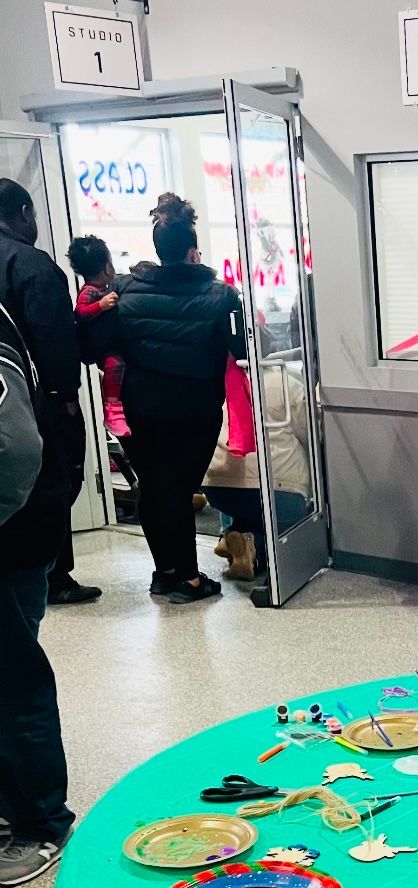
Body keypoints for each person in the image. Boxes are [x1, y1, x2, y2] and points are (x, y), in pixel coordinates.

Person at [81, 193, 244, 604]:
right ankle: (187, 578)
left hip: (139, 407)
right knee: (177, 488)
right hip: (194, 408)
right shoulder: (220, 294)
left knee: (155, 487)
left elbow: (97, 343)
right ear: (192, 252)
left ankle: (164, 572)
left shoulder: (123, 290)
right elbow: (240, 347)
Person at [0, 300, 76, 886]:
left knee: (12, 678)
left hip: (13, 530)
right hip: (25, 520)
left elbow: (16, 449)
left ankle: (40, 824)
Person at [0, 178, 100, 606]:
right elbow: (53, 338)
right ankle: (54, 574)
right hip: (37, 400)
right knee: (56, 481)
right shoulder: (32, 265)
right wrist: (66, 395)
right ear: (24, 213)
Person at [68, 233, 135, 490]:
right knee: (114, 367)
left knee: (119, 366)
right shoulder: (89, 292)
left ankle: (115, 408)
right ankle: (112, 409)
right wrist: (102, 306)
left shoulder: (108, 288)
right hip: (103, 348)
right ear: (107, 266)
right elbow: (81, 313)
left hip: (112, 344)